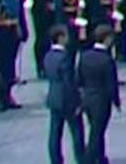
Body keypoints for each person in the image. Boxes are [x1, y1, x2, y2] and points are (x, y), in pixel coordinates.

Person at [77, 25, 119, 164]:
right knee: (97, 133)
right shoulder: (106, 59)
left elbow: (79, 79)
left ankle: (101, 158)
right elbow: (111, 83)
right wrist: (116, 101)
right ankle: (88, 160)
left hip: (88, 98)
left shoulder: (84, 56)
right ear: (107, 39)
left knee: (95, 129)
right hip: (101, 100)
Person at [42, 25, 81, 164]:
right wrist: (76, 101)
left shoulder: (48, 56)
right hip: (66, 98)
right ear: (60, 38)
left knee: (55, 133)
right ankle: (81, 158)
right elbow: (68, 82)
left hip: (53, 97)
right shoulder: (64, 57)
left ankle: (56, 160)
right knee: (76, 132)